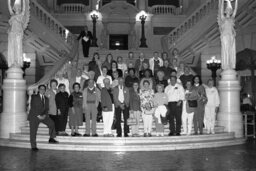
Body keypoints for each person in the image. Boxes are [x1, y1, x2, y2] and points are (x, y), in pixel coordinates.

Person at [28, 85, 58, 151]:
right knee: (33, 131)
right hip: (34, 116)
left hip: (43, 116)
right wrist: (38, 116)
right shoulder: (34, 97)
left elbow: (47, 108)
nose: (42, 90)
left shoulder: (46, 98)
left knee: (52, 123)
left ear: (45, 90)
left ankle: (51, 138)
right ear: (38, 90)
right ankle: (33, 146)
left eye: (44, 89)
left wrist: (44, 115)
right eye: (41, 89)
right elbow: (33, 107)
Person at [218, 0, 238, 70]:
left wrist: (236, 1)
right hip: (224, 36)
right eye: (227, 10)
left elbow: (235, 9)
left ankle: (230, 64)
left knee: (230, 50)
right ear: (225, 11)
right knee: (225, 50)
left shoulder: (232, 18)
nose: (229, 11)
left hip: (231, 36)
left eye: (230, 10)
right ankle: (225, 64)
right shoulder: (223, 18)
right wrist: (223, 1)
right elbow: (221, 10)